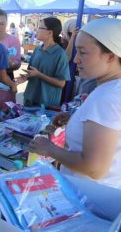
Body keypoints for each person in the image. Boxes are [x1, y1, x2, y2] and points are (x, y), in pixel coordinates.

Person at [29, 18, 121, 189]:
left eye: (83, 52)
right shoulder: (113, 89)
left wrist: (49, 148)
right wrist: (77, 120)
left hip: (91, 198)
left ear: (110, 57)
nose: (76, 60)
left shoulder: (106, 97)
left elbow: (94, 168)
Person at [17, 17, 70, 107]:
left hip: (47, 103)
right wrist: (25, 77)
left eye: (40, 27)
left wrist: (39, 74)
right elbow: (32, 73)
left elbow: (61, 83)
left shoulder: (60, 54)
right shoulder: (37, 49)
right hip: (30, 98)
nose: (36, 30)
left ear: (50, 32)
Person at [0, 8, 21, 110]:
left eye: (2, 24)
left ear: (6, 24)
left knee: (5, 115)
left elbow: (17, 64)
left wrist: (10, 63)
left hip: (6, 84)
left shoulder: (13, 40)